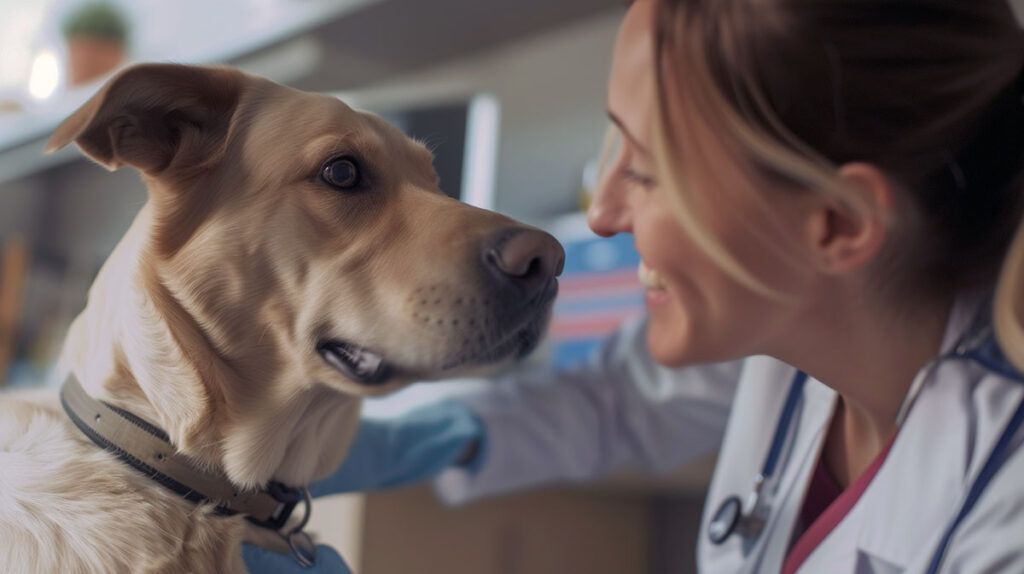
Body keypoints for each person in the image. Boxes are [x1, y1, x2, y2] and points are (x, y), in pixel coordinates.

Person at [245, 0, 1024, 571]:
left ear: (837, 224)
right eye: (607, 151)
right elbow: (614, 401)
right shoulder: (787, 352)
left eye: (646, 171)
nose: (606, 212)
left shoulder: (1004, 519)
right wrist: (420, 439)